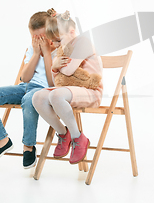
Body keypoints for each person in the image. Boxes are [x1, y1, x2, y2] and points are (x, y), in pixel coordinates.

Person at [0, 9, 58, 169]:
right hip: (25, 87)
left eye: (41, 37)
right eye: (34, 38)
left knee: (29, 99)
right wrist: (36, 54)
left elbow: (52, 84)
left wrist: (47, 54)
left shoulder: (59, 51)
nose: (38, 41)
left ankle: (28, 146)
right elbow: (25, 78)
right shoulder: (31, 50)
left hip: (44, 91)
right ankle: (2, 141)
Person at [32, 10, 103, 165]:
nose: (57, 45)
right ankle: (64, 133)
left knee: (56, 96)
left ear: (72, 32)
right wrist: (54, 67)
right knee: (37, 97)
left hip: (90, 91)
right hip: (70, 90)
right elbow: (53, 82)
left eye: (59, 40)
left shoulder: (83, 42)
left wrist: (56, 65)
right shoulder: (64, 47)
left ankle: (78, 137)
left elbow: (69, 70)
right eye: (55, 42)